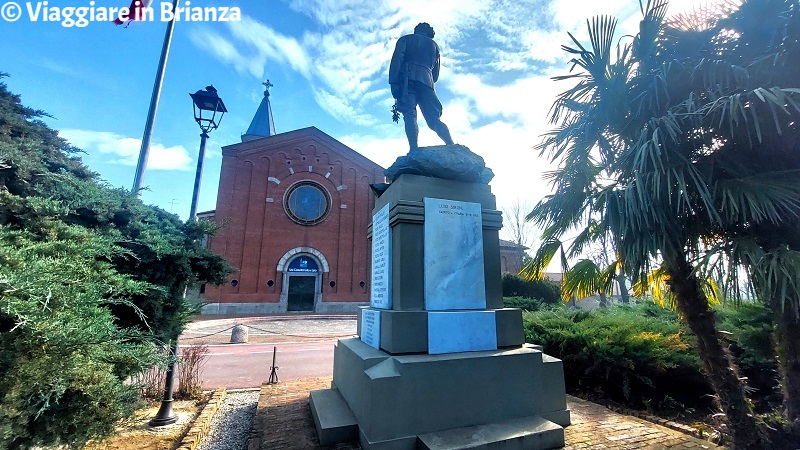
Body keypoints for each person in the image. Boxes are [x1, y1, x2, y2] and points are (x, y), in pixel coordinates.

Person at [389, 22, 454, 150]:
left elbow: (397, 61)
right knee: (433, 119)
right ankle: (451, 144)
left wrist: (394, 82)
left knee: (409, 113)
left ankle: (413, 149)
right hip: (427, 81)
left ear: (416, 30)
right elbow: (435, 75)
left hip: (408, 79)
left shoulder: (405, 40)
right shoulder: (434, 46)